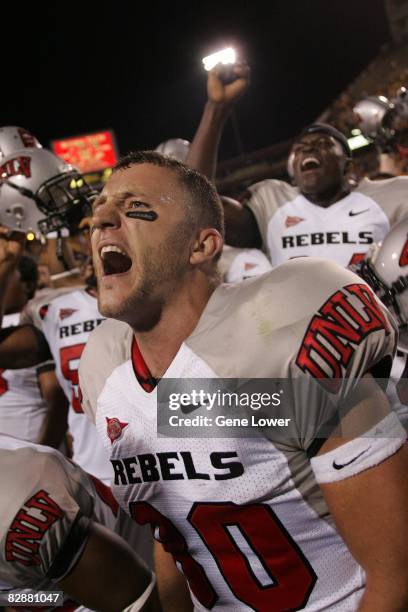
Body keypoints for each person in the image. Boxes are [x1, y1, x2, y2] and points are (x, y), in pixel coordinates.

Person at [79, 151, 408, 611]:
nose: (100, 222)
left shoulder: (281, 327)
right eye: (99, 211)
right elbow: (176, 534)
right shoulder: (104, 366)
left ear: (202, 245)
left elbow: (396, 575)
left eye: (134, 208)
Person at [186, 67, 408, 268]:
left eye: (323, 145)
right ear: (291, 169)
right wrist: (216, 109)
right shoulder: (271, 205)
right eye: (301, 148)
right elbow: (196, 205)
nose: (309, 150)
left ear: (348, 166)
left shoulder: (392, 195)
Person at [0, 433, 156, 611]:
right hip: (46, 585)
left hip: (103, 591)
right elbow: (25, 596)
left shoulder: (15, 516)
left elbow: (139, 601)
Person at [0, 254, 68, 448]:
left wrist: (45, 454)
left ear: (28, 285)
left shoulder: (36, 320)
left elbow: (57, 399)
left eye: (6, 274)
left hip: (27, 453)